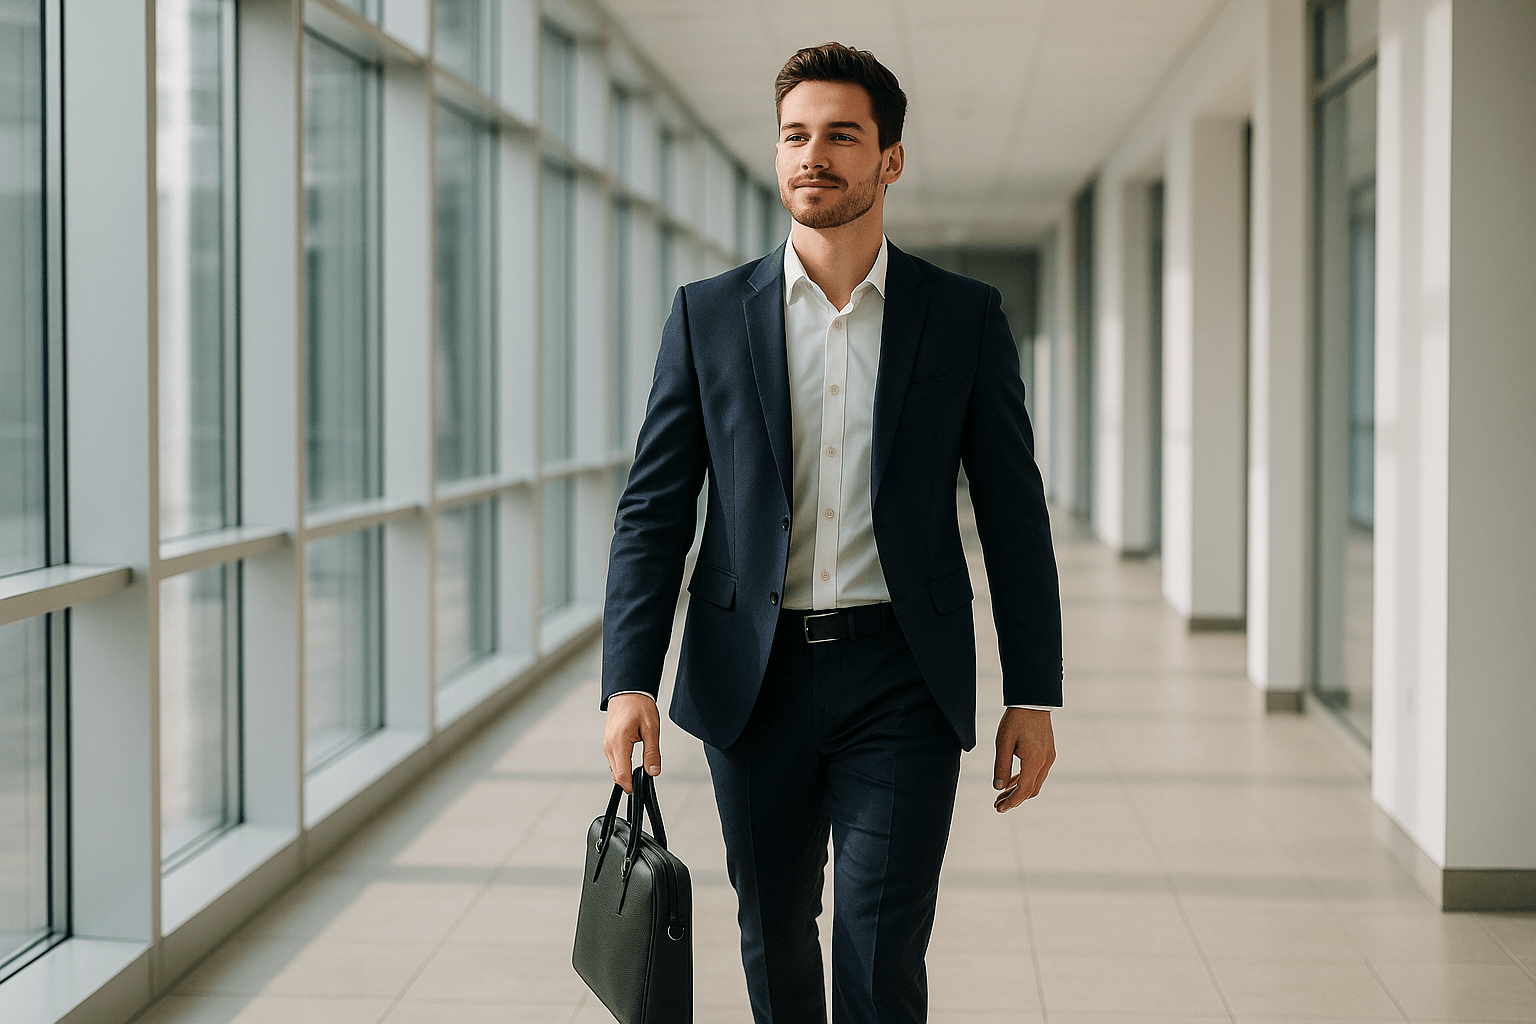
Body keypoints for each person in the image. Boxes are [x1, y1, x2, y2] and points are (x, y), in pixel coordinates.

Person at [600, 42, 1062, 1024]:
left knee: (880, 943)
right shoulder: (709, 317)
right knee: (772, 931)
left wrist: (1034, 690)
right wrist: (628, 677)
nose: (814, 155)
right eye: (795, 135)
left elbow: (1016, 514)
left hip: (902, 672)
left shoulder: (962, 318)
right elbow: (654, 508)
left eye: (842, 136)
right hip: (748, 677)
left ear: (890, 159)